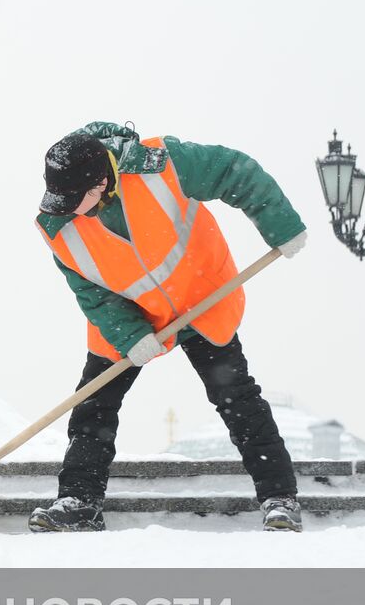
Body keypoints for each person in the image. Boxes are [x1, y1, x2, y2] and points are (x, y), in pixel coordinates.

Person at [30, 122, 307, 534]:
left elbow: (234, 170)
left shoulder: (161, 166)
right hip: (128, 311)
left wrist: (280, 225)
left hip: (200, 298)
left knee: (236, 398)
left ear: (101, 183)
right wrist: (130, 335)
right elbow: (90, 292)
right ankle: (80, 502)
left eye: (75, 199)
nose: (68, 209)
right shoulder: (60, 226)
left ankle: (279, 498)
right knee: (94, 405)